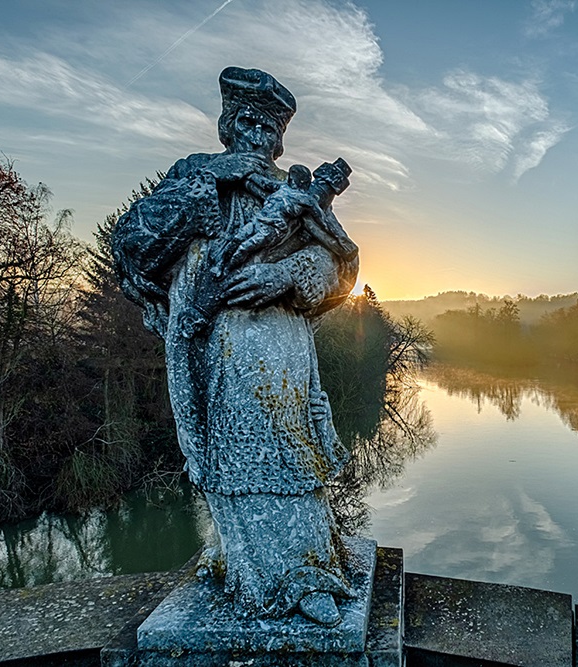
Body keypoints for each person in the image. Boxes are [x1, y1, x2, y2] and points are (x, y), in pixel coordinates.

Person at [112, 67, 358, 626]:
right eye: (245, 121)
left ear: (279, 137)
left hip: (287, 346)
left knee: (294, 452)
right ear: (226, 125)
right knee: (238, 454)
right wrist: (218, 179)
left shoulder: (293, 190)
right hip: (220, 345)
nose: (256, 134)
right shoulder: (195, 175)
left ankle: (310, 564)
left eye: (267, 127)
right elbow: (132, 243)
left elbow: (341, 266)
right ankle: (270, 576)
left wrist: (293, 273)